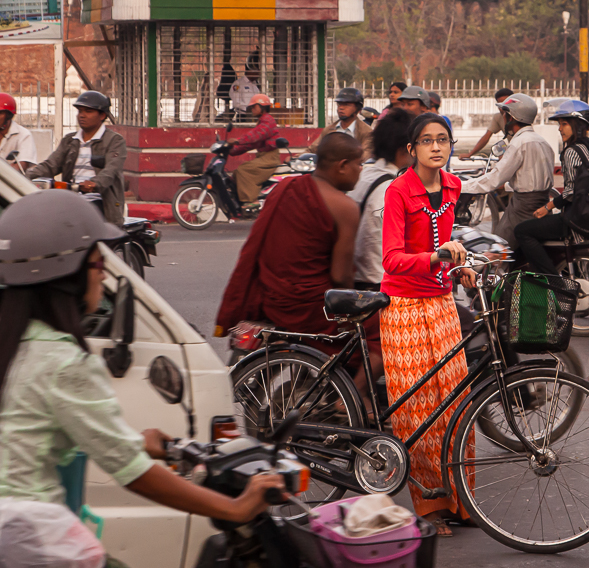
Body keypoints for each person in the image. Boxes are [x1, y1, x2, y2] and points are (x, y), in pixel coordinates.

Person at [0, 191, 287, 565]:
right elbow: (134, 474)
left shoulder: (16, 344)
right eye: (97, 265)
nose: (103, 275)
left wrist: (138, 441)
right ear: (67, 274)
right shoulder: (66, 362)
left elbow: (34, 430)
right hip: (32, 538)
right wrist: (235, 508)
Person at [380, 113, 475, 536]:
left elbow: (445, 245)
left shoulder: (453, 187)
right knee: (420, 411)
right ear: (412, 149)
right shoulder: (398, 191)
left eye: (443, 140)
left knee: (456, 401)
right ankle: (429, 507)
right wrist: (438, 258)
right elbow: (391, 259)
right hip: (403, 307)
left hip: (441, 302)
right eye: (427, 141)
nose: (437, 147)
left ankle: (462, 500)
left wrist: (458, 268)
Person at [215, 133, 370, 389]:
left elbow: (258, 247)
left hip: (272, 298)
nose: (361, 170)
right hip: (310, 307)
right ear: (343, 166)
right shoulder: (345, 207)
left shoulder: (284, 188)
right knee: (376, 336)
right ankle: (359, 398)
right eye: (359, 163)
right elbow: (341, 277)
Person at [516, 100, 589, 276]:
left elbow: (571, 192)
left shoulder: (571, 151)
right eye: (559, 124)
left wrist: (547, 207)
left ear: (577, 125)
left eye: (564, 124)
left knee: (522, 231)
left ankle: (553, 279)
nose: (559, 129)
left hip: (577, 220)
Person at [461, 93, 554, 245]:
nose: (503, 117)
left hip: (522, 208)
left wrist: (462, 186)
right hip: (543, 203)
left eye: (504, 113)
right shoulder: (543, 142)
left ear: (511, 117)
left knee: (499, 247)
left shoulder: (518, 143)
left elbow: (494, 179)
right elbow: (531, 177)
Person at [26, 91, 127, 225]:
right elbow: (51, 165)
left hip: (99, 199)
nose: (82, 115)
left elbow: (111, 170)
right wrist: (25, 175)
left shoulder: (114, 141)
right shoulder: (70, 140)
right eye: (80, 111)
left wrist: (94, 183)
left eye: (88, 111)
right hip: (70, 197)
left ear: (102, 115)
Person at [348, 108, 413, 290]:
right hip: (379, 285)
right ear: (404, 150)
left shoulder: (364, 174)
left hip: (356, 277)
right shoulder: (392, 189)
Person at [227, 93, 280, 206]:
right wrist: (233, 150)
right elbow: (251, 144)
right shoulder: (261, 122)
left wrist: (237, 141)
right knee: (236, 173)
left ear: (262, 107)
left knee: (243, 170)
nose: (252, 109)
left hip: (269, 158)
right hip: (263, 157)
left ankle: (251, 201)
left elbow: (255, 136)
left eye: (254, 107)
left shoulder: (268, 121)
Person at [309, 87, 373, 158]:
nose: (341, 108)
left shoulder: (367, 132)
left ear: (358, 109)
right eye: (339, 104)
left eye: (346, 105)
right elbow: (312, 150)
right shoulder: (329, 130)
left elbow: (364, 156)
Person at [459, 88, 513, 160]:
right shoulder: (498, 117)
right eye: (500, 105)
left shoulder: (522, 116)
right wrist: (470, 154)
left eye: (506, 104)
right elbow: (486, 137)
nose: (503, 108)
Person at [0, 93, 36, 173]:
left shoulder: (23, 135)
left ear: (9, 115)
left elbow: (22, 166)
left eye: (0, 113)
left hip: (10, 183)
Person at [229, 51, 261, 122]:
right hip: (243, 117)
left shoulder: (256, 85)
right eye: (256, 71)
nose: (258, 74)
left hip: (255, 117)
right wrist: (249, 109)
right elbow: (236, 104)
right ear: (250, 71)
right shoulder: (238, 84)